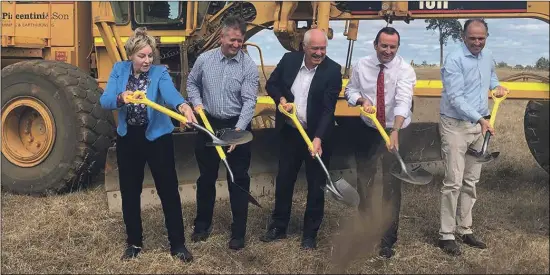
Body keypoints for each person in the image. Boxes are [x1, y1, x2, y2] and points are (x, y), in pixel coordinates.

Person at [99, 27, 197, 262]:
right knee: (130, 191)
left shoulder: (159, 73)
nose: (147, 60)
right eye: (142, 56)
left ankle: (177, 244)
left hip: (157, 138)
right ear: (131, 55)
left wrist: (183, 106)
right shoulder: (118, 70)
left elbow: (171, 94)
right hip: (129, 138)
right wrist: (121, 97)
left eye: (150, 55)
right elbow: (105, 101)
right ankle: (134, 243)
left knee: (168, 190)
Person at [260, 28, 343, 250]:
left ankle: (310, 235)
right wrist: (281, 99)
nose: (319, 53)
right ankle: (279, 227)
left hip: (318, 136)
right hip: (290, 133)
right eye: (315, 48)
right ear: (304, 47)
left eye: (323, 48)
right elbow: (272, 85)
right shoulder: (289, 60)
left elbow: (328, 110)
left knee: (316, 185)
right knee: (285, 180)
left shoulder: (333, 70)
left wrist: (318, 139)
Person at [186, 16, 259, 251]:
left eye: (240, 40)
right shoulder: (204, 60)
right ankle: (202, 225)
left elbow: (249, 101)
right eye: (233, 40)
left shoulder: (248, 65)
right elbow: (191, 83)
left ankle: (238, 233)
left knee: (238, 179)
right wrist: (197, 104)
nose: (237, 44)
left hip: (237, 125)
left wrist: (239, 131)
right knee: (206, 177)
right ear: (222, 37)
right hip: (209, 124)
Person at [344, 27, 416, 259]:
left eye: (392, 47)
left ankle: (387, 239)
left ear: (397, 47)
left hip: (395, 131)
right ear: (376, 45)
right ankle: (366, 227)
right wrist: (360, 99)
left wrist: (394, 130)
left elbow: (404, 100)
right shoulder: (362, 65)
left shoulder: (405, 70)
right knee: (364, 180)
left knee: (392, 185)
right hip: (367, 129)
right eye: (384, 46)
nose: (388, 51)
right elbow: (350, 89)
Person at [438, 18, 508, 256]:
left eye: (482, 38)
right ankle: (446, 235)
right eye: (473, 38)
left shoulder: (487, 55)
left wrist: (497, 87)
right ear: (463, 37)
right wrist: (480, 119)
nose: (477, 43)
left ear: (486, 36)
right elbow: (456, 99)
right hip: (456, 125)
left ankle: (465, 229)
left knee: (471, 180)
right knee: (453, 181)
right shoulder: (454, 59)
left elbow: (492, 77)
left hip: (479, 125)